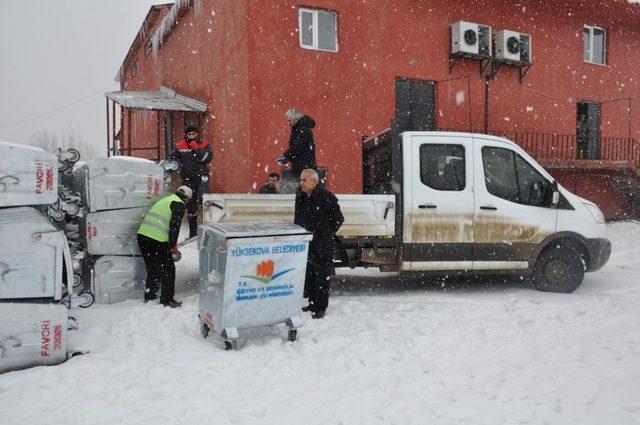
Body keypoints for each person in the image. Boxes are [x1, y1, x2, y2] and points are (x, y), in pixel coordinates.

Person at [294, 169, 344, 319]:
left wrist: (325, 234)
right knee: (310, 276)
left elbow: (338, 219)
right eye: (301, 180)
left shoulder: (326, 197)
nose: (301, 183)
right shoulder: (301, 197)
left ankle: (320, 307)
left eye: (304, 180)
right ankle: (312, 302)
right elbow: (298, 217)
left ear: (314, 181)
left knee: (322, 276)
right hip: (307, 243)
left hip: (322, 245)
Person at [137, 186, 192, 308]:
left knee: (153, 268)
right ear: (186, 198)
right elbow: (175, 227)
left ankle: (150, 296)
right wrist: (172, 246)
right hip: (157, 239)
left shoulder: (166, 200)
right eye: (188, 199)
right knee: (168, 270)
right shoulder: (179, 204)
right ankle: (167, 300)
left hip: (143, 237)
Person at [169, 124, 212, 238]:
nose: (192, 136)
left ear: (197, 134)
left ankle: (207, 233)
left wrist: (196, 147)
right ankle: (193, 234)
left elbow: (207, 158)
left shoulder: (204, 144)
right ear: (186, 135)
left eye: (194, 134)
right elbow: (172, 159)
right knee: (191, 207)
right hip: (188, 180)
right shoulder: (180, 145)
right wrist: (177, 166)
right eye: (189, 134)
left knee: (204, 202)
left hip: (202, 179)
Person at [276, 108, 317, 178]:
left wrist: (286, 157)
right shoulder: (301, 129)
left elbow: (297, 147)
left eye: (290, 121)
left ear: (296, 119)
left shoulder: (302, 129)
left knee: (303, 186)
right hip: (304, 166)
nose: (288, 124)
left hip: (303, 168)